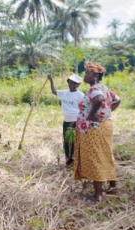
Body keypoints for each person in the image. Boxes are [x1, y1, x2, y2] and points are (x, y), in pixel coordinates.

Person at [73, 62, 121, 203]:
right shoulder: (104, 88)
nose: (85, 76)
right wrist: (106, 113)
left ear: (94, 76)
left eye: (87, 73)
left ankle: (98, 194)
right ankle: (113, 187)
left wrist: (91, 116)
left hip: (94, 128)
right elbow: (117, 100)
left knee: (95, 157)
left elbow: (99, 100)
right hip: (105, 125)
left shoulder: (94, 89)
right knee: (106, 154)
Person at [48, 74, 84, 166]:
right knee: (66, 140)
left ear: (78, 85)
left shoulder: (80, 95)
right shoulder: (64, 93)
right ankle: (68, 159)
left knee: (74, 140)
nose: (72, 84)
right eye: (70, 82)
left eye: (74, 83)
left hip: (75, 121)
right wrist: (51, 80)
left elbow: (84, 108)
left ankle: (74, 160)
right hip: (66, 121)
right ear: (68, 83)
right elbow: (54, 91)